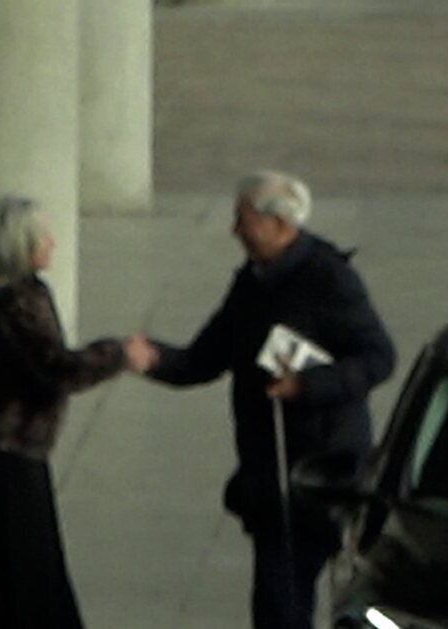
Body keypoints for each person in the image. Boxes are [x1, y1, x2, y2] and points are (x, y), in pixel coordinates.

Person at [125, 170, 395, 629]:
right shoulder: (252, 284)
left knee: (313, 597)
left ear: (279, 224)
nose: (235, 231)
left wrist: (308, 386)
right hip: (269, 472)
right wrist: (155, 360)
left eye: (244, 220)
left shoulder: (329, 279)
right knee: (276, 602)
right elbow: (207, 356)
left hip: (321, 470)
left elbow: (377, 357)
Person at [0, 196, 125, 629]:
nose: (52, 243)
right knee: (25, 580)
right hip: (6, 457)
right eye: (42, 236)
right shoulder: (16, 302)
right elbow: (55, 370)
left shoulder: (3, 298)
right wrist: (120, 354)